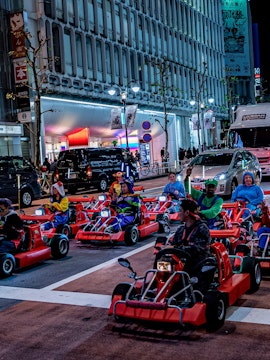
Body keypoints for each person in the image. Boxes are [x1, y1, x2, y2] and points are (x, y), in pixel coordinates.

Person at [169, 199, 211, 277]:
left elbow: (198, 250)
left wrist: (175, 248)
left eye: (180, 211)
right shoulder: (181, 229)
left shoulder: (202, 228)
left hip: (197, 263)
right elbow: (173, 244)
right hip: (181, 261)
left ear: (187, 212)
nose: (178, 214)